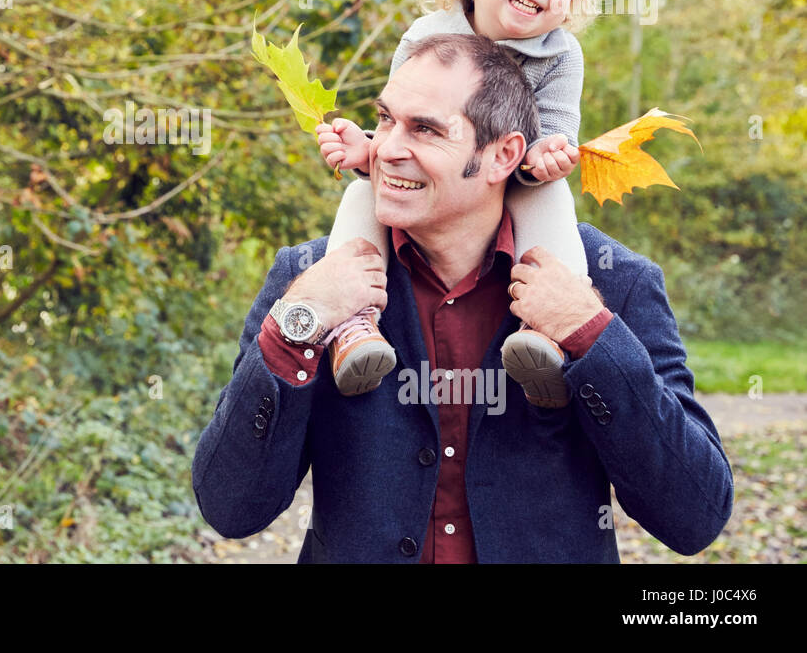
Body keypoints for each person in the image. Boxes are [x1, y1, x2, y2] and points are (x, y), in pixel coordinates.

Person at [191, 33, 733, 562]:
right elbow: (231, 507)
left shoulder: (613, 283)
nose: (387, 150)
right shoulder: (311, 279)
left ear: (503, 156)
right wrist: (295, 325)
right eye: (385, 120)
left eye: (425, 130)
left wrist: (592, 334)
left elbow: (694, 515)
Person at [313, 0, 600, 404]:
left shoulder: (562, 55)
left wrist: (545, 158)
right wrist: (367, 150)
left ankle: (546, 324)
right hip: (438, 185)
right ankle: (353, 325)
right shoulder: (427, 37)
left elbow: (557, 129)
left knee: (553, 203)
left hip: (515, 179)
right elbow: (403, 128)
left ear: (572, 0)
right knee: (360, 201)